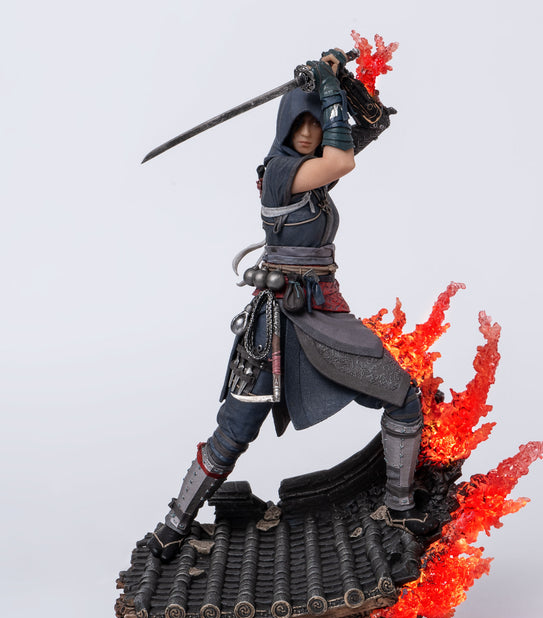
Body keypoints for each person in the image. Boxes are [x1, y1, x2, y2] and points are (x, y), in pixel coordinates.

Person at [148, 49, 436, 562]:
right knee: (236, 429)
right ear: (284, 126)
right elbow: (342, 158)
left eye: (315, 123)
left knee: (402, 396)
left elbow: (365, 133)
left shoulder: (313, 171)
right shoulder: (282, 171)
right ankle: (172, 526)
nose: (308, 131)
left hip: (322, 313)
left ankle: (399, 506)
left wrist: (343, 83)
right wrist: (325, 88)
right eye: (299, 122)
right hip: (279, 322)